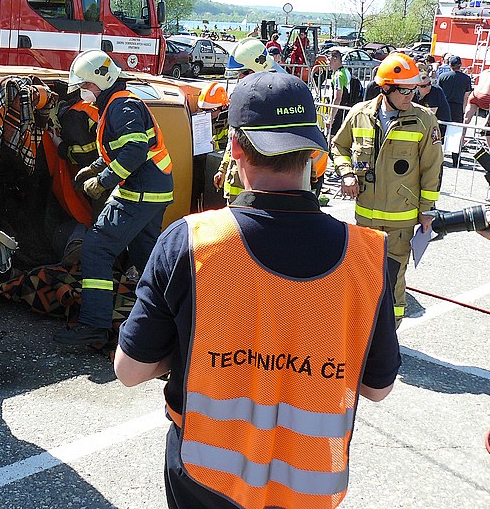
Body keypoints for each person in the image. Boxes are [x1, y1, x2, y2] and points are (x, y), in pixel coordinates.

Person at [115, 69, 401, 509]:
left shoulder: (191, 243)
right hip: (309, 485)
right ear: (313, 150)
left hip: (205, 479)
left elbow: (130, 370)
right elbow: (377, 388)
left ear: (234, 147)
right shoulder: (367, 256)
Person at [53, 50, 174, 347]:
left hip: (138, 193)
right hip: (152, 191)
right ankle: (171, 317)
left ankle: (94, 324)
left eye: (85, 85)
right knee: (146, 257)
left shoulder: (121, 107)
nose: (83, 91)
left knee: (96, 248)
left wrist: (102, 181)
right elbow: (119, 149)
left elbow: (134, 150)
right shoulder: (118, 104)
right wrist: (94, 168)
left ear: (101, 81)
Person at [331, 53, 443, 328]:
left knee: (393, 276)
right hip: (365, 217)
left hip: (400, 218)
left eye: (413, 89)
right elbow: (338, 146)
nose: (410, 95)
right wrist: (346, 174)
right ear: (385, 88)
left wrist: (427, 211)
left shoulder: (424, 120)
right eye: (404, 90)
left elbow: (432, 169)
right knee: (363, 275)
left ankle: (390, 332)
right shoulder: (359, 114)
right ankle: (362, 330)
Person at [215, 38, 284, 200]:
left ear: (259, 68)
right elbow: (234, 138)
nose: (240, 77)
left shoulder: (279, 97)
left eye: (245, 72)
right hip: (236, 186)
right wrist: (223, 169)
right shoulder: (244, 97)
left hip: (258, 189)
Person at [437, 55, 473, 167]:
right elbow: (466, 95)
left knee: (440, 133)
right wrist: (464, 109)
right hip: (457, 107)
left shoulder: (442, 76)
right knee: (455, 134)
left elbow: (439, 92)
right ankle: (456, 161)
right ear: (460, 65)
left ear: (450, 65)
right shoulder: (466, 78)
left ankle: (437, 158)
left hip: (444, 107)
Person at [415, 67, 451, 138]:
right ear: (416, 86)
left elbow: (431, 113)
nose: (428, 87)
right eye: (423, 86)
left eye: (429, 83)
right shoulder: (414, 93)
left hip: (439, 128)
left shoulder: (436, 91)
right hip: (423, 126)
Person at [327, 49, 352, 137]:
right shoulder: (346, 71)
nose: (327, 63)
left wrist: (331, 118)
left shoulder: (339, 75)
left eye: (329, 60)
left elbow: (337, 98)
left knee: (332, 138)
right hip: (344, 109)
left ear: (335, 60)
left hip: (339, 111)